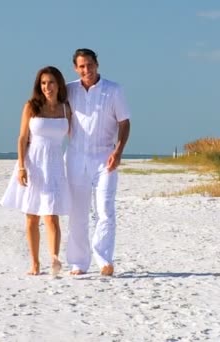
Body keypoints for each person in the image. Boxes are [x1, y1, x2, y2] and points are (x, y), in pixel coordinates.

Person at [0, 66, 71, 276]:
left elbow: (78, 135)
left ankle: (54, 260)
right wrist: (21, 166)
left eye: (50, 82)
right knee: (31, 216)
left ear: (58, 84)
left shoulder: (66, 108)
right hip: (33, 162)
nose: (47, 87)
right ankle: (35, 263)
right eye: (43, 83)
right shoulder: (32, 106)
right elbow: (22, 138)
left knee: (51, 216)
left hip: (55, 164)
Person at [65, 48, 131, 276]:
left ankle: (104, 260)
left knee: (105, 210)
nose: (87, 70)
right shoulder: (69, 90)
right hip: (74, 158)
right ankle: (79, 263)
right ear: (76, 68)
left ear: (97, 64)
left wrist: (119, 150)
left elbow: (124, 122)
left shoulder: (113, 90)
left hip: (105, 158)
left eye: (90, 65)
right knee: (78, 213)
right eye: (82, 66)